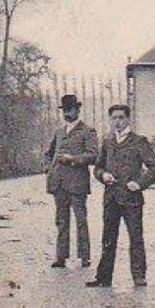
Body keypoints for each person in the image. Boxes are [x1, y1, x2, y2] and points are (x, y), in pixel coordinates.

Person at [87, 103, 155, 288]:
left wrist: (139, 183)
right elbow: (98, 168)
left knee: (135, 238)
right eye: (114, 118)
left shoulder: (138, 141)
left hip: (132, 199)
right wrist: (103, 175)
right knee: (108, 238)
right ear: (110, 120)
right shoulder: (107, 141)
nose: (118, 122)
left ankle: (139, 276)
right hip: (111, 197)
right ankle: (103, 278)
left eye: (121, 117)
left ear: (128, 119)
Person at [45, 93, 100, 270]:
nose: (67, 114)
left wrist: (73, 159)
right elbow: (49, 153)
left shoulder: (88, 131)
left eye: (70, 110)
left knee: (81, 220)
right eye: (65, 111)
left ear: (77, 110)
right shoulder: (59, 132)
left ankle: (85, 257)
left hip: (77, 183)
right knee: (61, 220)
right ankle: (61, 257)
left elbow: (93, 155)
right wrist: (49, 168)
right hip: (58, 183)